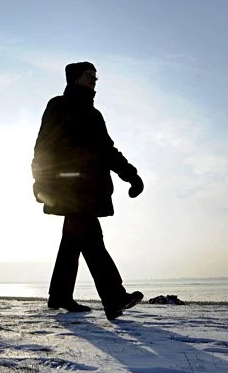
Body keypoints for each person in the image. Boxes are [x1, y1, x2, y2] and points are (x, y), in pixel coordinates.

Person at [31, 62, 145, 320]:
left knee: (72, 242)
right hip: (68, 188)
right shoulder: (58, 105)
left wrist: (130, 174)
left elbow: (107, 150)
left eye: (96, 75)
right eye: (89, 75)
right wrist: (40, 181)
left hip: (91, 188)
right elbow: (43, 146)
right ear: (74, 78)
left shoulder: (94, 115)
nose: (94, 79)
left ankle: (59, 295)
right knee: (93, 240)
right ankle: (114, 297)